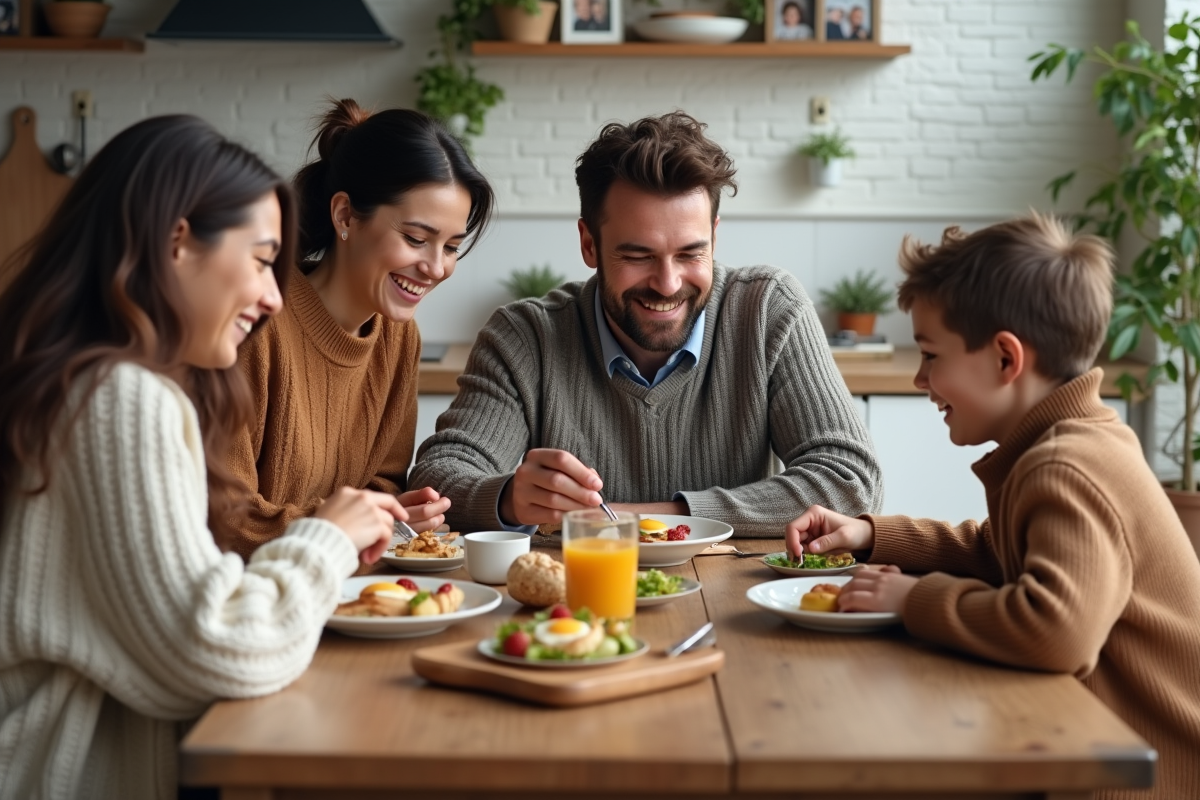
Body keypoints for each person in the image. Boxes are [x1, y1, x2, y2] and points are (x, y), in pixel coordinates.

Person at [0, 116, 404, 800]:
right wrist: (325, 540)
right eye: (260, 260)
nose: (275, 298)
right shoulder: (121, 397)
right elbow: (220, 648)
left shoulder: (77, 378)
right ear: (178, 241)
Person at [784, 214, 1200, 800]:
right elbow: (995, 550)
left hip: (1140, 781)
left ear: (1006, 359)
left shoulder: (1067, 466)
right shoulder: (1072, 441)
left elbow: (1054, 631)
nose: (922, 378)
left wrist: (911, 599)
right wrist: (871, 534)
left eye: (932, 355)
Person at [411, 111, 881, 537]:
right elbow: (438, 478)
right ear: (589, 244)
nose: (668, 283)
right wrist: (510, 499)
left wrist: (644, 518)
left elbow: (851, 481)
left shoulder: (767, 312)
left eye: (691, 253)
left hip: (742, 601)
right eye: (638, 256)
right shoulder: (526, 337)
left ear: (715, 237)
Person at [226, 99, 494, 559]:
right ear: (346, 216)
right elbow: (224, 515)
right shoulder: (254, 322)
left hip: (343, 589)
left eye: (451, 246)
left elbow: (382, 481)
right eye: (415, 238)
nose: (435, 268)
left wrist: (394, 515)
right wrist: (348, 529)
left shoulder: (397, 337)